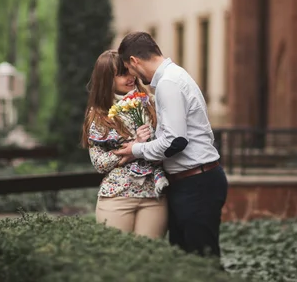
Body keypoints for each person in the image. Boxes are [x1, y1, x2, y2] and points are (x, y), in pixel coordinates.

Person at [113, 32, 228, 258]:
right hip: (192, 182)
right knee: (186, 262)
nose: (134, 76)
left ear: (134, 61)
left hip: (196, 184)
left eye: (130, 69)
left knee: (202, 263)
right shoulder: (174, 76)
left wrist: (135, 150)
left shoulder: (168, 83)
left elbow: (176, 141)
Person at [81, 49, 169, 239]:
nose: (130, 77)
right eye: (122, 74)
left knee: (151, 259)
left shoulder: (150, 103)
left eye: (130, 70)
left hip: (153, 196)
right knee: (116, 260)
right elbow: (99, 164)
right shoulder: (97, 115)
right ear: (106, 79)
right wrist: (134, 148)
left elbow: (167, 144)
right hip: (116, 197)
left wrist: (135, 150)